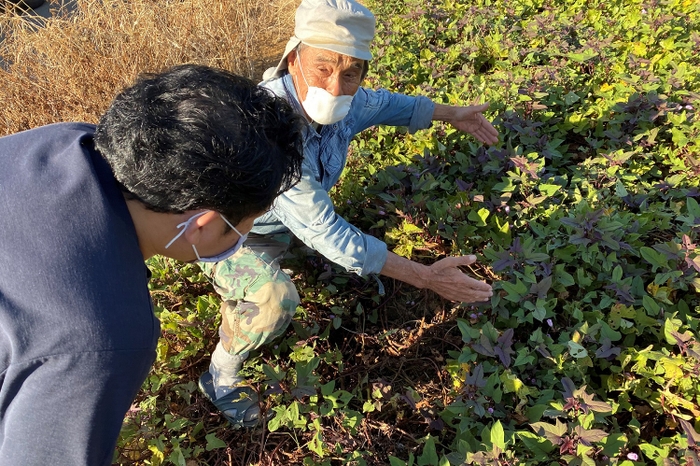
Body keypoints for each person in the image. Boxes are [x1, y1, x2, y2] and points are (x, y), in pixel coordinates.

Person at [197, 0, 499, 428]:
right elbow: (332, 236)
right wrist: (428, 276)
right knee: (274, 299)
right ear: (292, 58)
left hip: (282, 223)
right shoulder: (269, 136)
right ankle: (220, 378)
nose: (335, 87)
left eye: (351, 72)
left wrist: (455, 115)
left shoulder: (349, 101)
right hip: (231, 237)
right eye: (323, 67)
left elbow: (389, 105)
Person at [0, 64, 304, 465]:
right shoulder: (103, 338)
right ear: (205, 224)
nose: (243, 239)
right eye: (246, 224)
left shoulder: (65, 140)